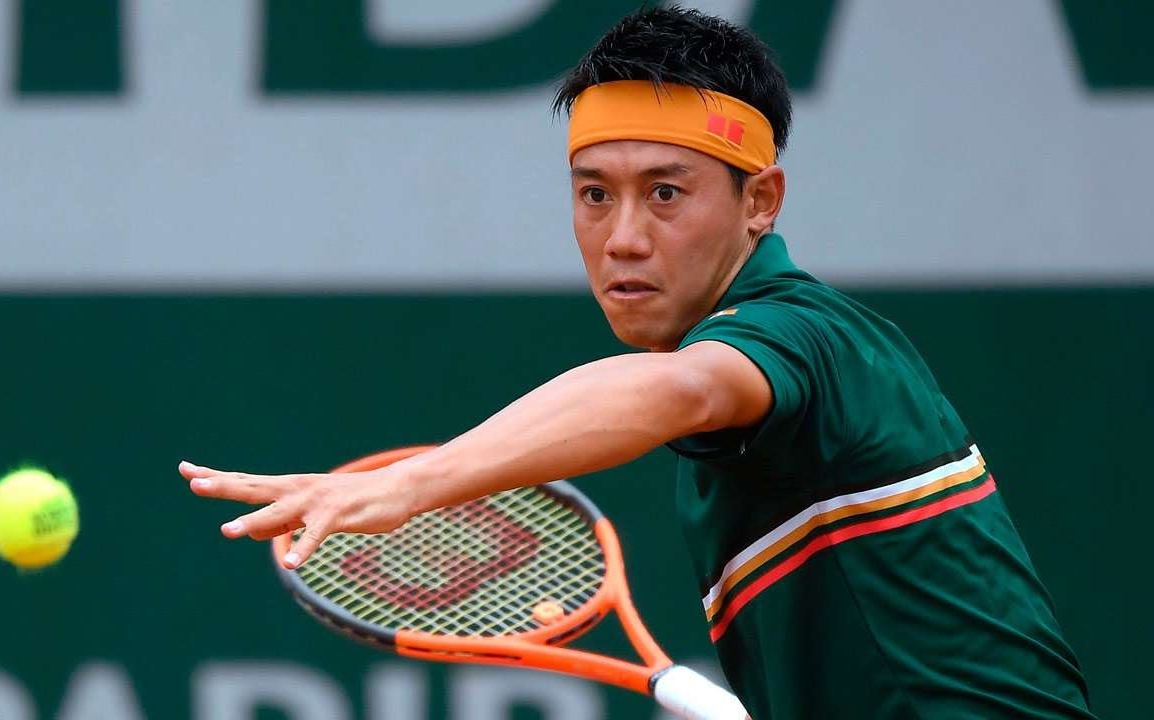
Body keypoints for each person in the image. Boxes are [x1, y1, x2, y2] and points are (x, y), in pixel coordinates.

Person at [180, 7, 1093, 719]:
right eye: (594, 195)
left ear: (760, 200)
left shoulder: (806, 337)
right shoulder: (764, 397)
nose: (622, 237)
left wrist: (418, 483)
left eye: (665, 193)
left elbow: (677, 389)